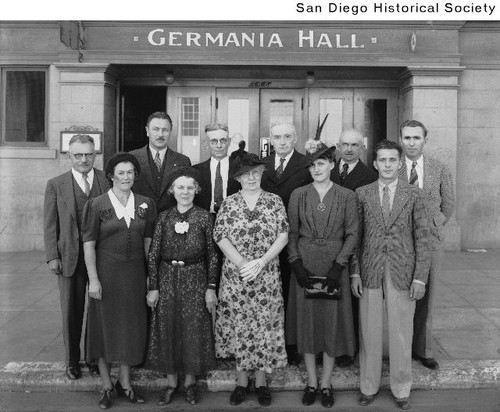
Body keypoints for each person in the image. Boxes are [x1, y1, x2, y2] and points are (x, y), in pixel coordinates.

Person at [351, 140, 430, 410]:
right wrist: (355, 273)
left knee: (400, 332)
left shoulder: (415, 194)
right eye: (382, 160)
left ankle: (401, 387)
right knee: (369, 331)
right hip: (370, 268)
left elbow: (423, 238)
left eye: (392, 160)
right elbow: (356, 238)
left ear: (399, 163)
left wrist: (420, 277)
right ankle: (368, 385)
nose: (387, 165)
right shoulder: (362, 193)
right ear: (375, 163)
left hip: (403, 270)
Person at [82, 153, 157, 409]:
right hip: (106, 277)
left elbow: (149, 244)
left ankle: (126, 384)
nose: (126, 177)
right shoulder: (97, 204)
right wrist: (93, 280)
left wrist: (151, 278)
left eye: (130, 172)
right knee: (103, 330)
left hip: (135, 277)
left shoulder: (146, 204)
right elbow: (89, 245)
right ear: (111, 176)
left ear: (135, 175)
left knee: (128, 330)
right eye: (120, 173)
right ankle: (106, 385)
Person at [214, 153, 289, 407]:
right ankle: (241, 382)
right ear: (237, 177)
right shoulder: (229, 203)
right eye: (245, 174)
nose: (251, 177)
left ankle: (261, 383)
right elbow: (220, 236)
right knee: (240, 326)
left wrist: (262, 261)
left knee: (263, 327)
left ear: (261, 174)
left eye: (255, 172)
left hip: (266, 275)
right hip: (237, 276)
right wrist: (244, 264)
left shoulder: (274, 201)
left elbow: (283, 234)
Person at [287, 139, 358, 407]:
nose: (316, 169)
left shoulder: (346, 196)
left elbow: (352, 233)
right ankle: (311, 382)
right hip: (304, 265)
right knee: (307, 323)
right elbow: (292, 231)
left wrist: (339, 265)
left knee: (330, 323)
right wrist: (295, 262)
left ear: (332, 164)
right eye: (312, 164)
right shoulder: (298, 194)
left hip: (333, 266)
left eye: (321, 163)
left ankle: (326, 383)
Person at [145, 166, 219, 406]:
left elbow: (213, 255)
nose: (185, 192)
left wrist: (211, 287)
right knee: (168, 327)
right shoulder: (164, 217)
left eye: (190, 187)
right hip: (168, 278)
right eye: (180, 187)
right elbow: (154, 253)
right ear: (172, 190)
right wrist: (154, 286)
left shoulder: (205, 218)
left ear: (196, 190)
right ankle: (170, 383)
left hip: (195, 277)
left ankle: (189, 383)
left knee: (192, 328)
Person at [43, 134, 107, 380]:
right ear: (69, 156)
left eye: (88, 154)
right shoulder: (56, 184)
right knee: (71, 311)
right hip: (69, 256)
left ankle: (93, 359)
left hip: (101, 257)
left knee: (97, 311)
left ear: (95, 154)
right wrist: (52, 256)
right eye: (78, 155)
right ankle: (71, 361)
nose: (83, 160)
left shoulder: (106, 180)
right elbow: (50, 224)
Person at [398, 120, 455, 370]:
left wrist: (434, 223)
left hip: (429, 241)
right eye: (407, 138)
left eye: (416, 138)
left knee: (426, 295)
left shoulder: (439, 168)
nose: (411, 143)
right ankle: (398, 348)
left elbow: (449, 203)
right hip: (399, 242)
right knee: (401, 295)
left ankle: (424, 349)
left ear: (425, 140)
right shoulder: (391, 166)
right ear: (401, 140)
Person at [260, 123, 312, 364]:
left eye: (287, 137)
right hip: (266, 244)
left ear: (296, 138)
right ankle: (268, 343)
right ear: (270, 139)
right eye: (277, 137)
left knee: (292, 294)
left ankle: (291, 345)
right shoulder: (263, 166)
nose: (282, 142)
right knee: (269, 296)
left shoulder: (305, 164)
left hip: (296, 240)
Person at [330, 128, 378, 368]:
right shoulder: (326, 170)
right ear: (338, 146)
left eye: (354, 145)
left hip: (356, 244)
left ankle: (350, 349)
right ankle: (330, 344)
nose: (348, 149)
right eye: (344, 144)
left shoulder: (369, 175)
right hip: (329, 243)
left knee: (354, 297)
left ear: (362, 148)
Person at [129, 111, 191, 213]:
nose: (160, 134)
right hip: (139, 220)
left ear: (171, 131)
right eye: (156, 129)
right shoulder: (132, 158)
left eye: (165, 130)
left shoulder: (182, 161)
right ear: (147, 131)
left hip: (172, 222)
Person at [194, 123, 240, 214]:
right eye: (214, 141)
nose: (219, 146)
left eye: (223, 141)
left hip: (234, 219)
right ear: (206, 143)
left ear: (229, 142)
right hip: (205, 220)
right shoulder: (196, 171)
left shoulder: (240, 169)